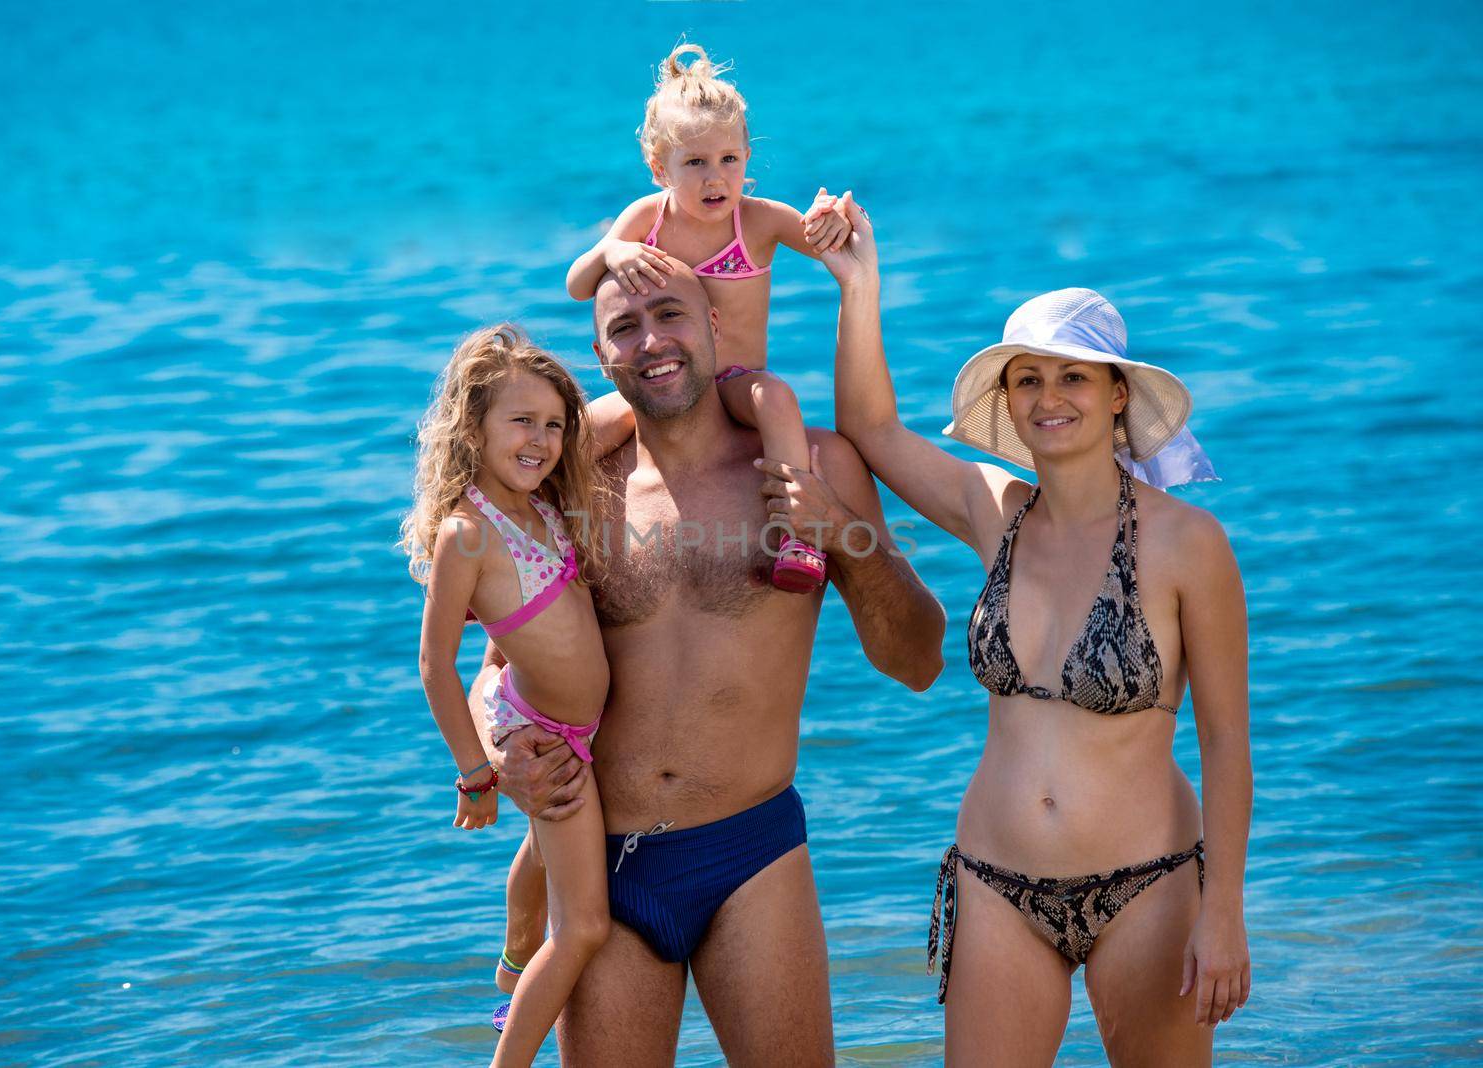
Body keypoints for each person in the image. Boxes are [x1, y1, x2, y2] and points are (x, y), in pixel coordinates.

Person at [478, 258, 946, 1065]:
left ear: (715, 327)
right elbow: (496, 671)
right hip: (604, 869)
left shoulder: (813, 466)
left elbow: (916, 660)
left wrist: (841, 534)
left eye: (670, 314)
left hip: (752, 854)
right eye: (625, 327)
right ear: (600, 357)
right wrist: (500, 753)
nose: (652, 340)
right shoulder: (571, 491)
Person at [817, 204, 1253, 1065]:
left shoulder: (1187, 543)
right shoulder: (996, 513)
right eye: (1029, 380)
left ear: (1117, 393)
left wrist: (1224, 912)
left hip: (1149, 885)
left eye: (1074, 378)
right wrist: (860, 283)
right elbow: (871, 431)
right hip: (996, 887)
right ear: (1008, 403)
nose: (1049, 398)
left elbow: (1227, 745)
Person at [566, 40, 854, 594]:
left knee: (779, 398)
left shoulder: (761, 222)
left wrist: (830, 217)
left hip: (732, 385)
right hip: (663, 384)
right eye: (694, 163)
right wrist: (611, 251)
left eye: (728, 160)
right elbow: (578, 285)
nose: (713, 177)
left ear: (748, 156)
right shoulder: (646, 219)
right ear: (660, 168)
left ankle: (798, 537)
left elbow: (829, 246)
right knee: (576, 433)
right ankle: (521, 544)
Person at [405, 325, 611, 1068]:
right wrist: (475, 772)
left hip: (576, 727)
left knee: (543, 863)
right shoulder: (468, 531)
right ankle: (510, 1056)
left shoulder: (542, 504)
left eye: (554, 424)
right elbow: (433, 663)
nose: (542, 440)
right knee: (584, 926)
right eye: (521, 421)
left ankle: (515, 961)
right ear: (474, 426)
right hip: (547, 742)